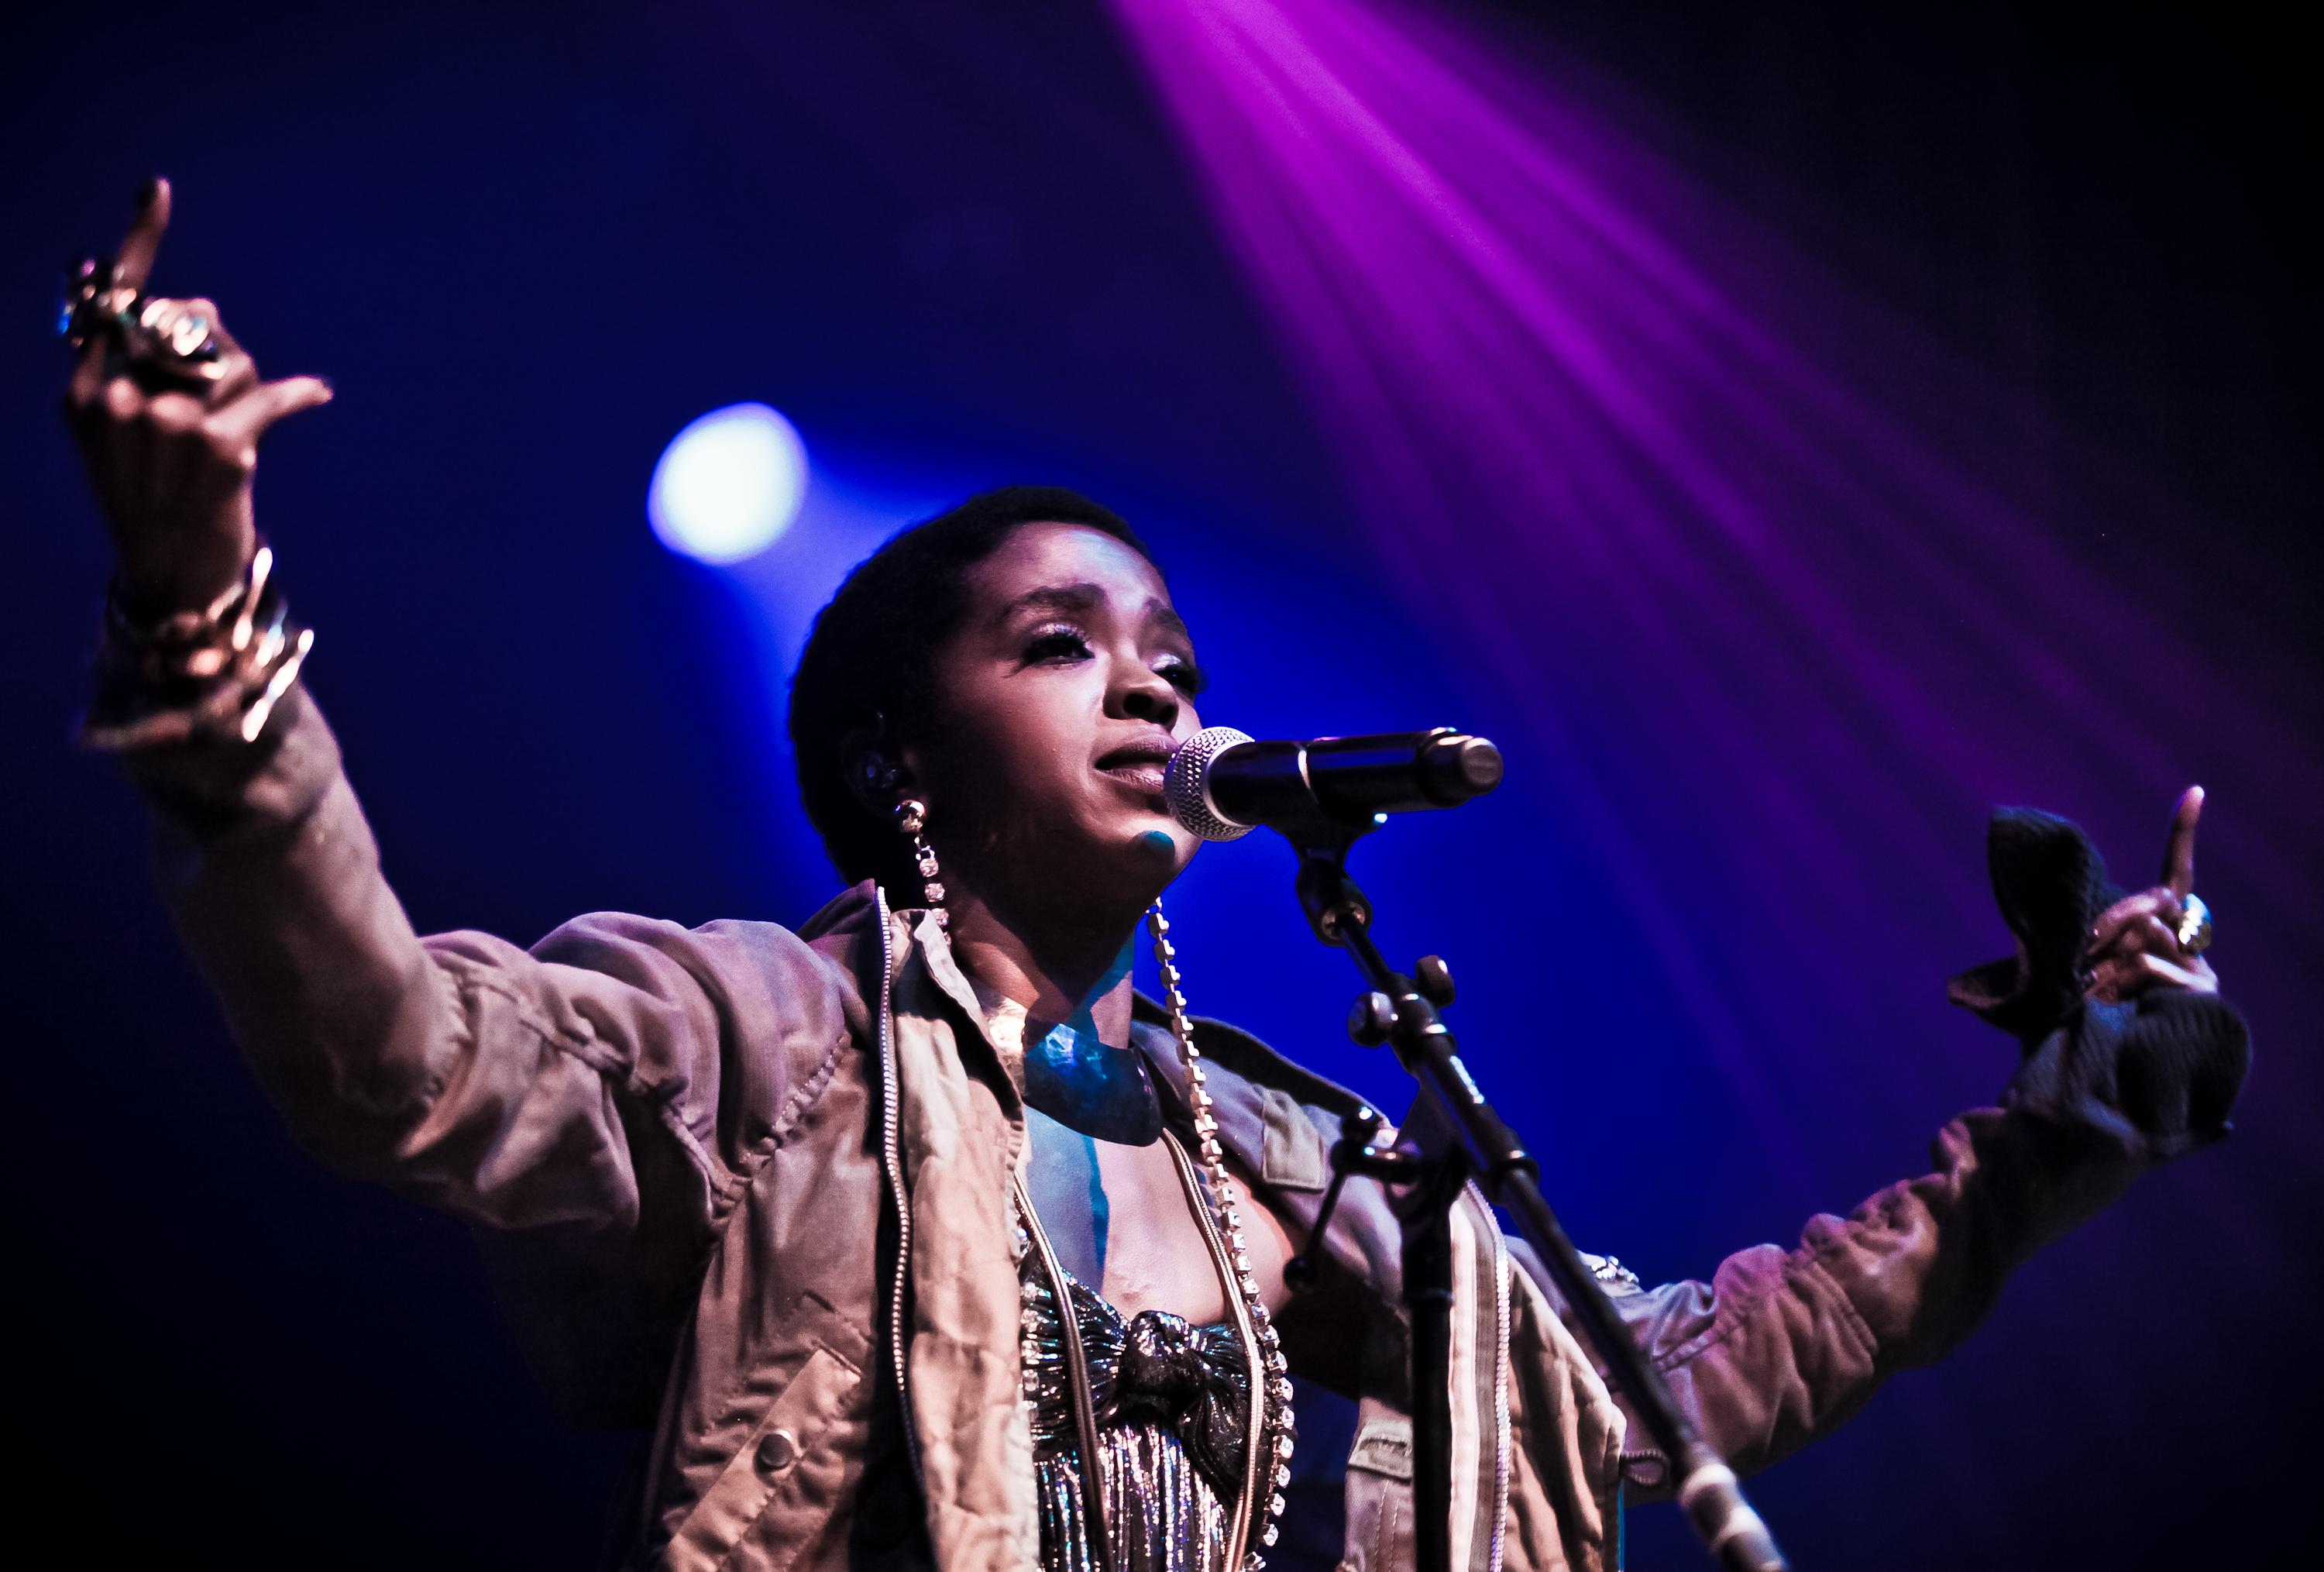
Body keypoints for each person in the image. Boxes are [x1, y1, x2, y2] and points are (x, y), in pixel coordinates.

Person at [61, 181, 2250, 1572]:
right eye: (1059, 644)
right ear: (906, 752)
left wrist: (2031, 1162)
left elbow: (1653, 1389)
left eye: (1177, 661)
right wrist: (199, 604)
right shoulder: (755, 1035)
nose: (1148, 689)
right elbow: (389, 1054)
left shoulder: (1303, 1163)